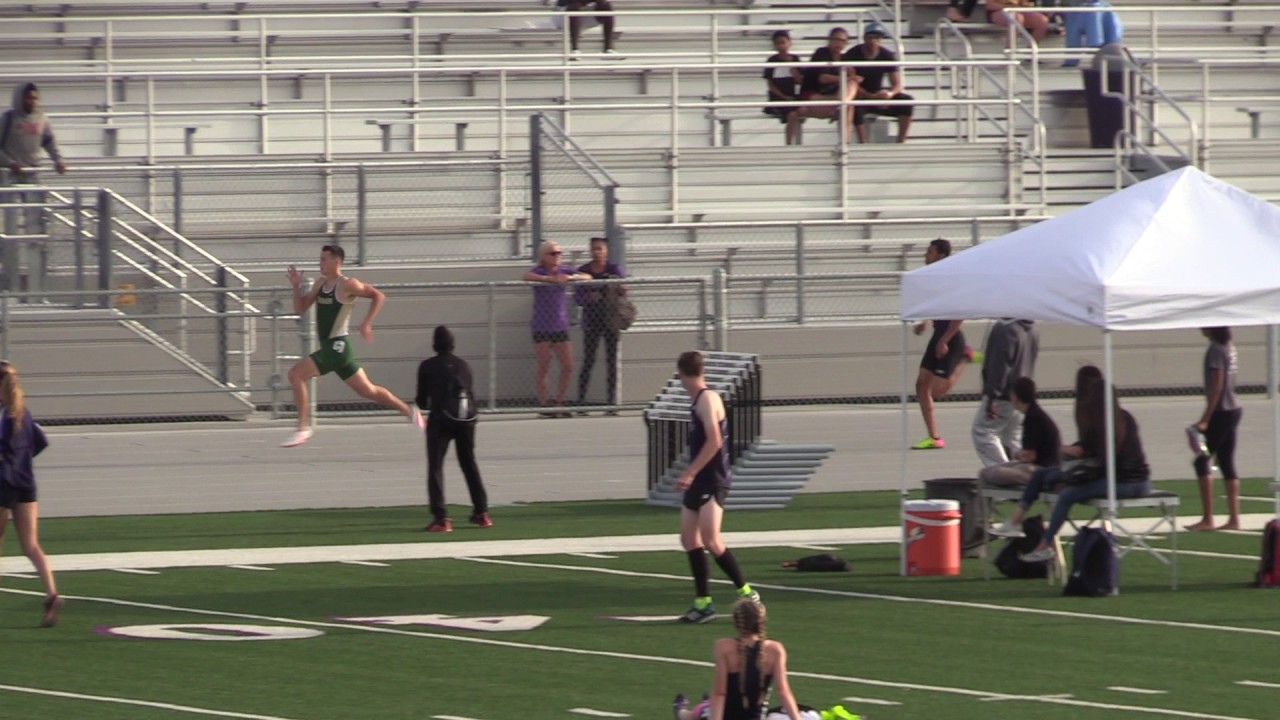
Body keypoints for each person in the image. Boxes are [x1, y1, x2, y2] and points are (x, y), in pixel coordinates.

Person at [991, 366, 1152, 563]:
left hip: (1127, 482)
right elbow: (1094, 455)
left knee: (1067, 494)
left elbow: (1103, 463)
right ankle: (1016, 521)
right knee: (1044, 475)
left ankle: (1044, 545)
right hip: (1125, 478)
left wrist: (1073, 475)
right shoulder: (1121, 419)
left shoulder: (1108, 425)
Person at [281, 244, 424, 447]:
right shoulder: (321, 284)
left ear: (336, 261)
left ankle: (303, 428)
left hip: (336, 347)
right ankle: (409, 411)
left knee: (296, 374)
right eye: (320, 258)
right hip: (339, 350)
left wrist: (367, 322)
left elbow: (378, 296)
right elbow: (301, 308)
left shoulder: (348, 284)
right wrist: (296, 286)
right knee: (369, 391)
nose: (320, 263)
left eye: (324, 259)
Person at [675, 351, 759, 623]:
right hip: (699, 479)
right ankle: (703, 603)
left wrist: (690, 471)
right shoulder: (697, 401)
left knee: (711, 540)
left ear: (682, 375)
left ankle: (747, 592)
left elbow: (714, 442)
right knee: (689, 539)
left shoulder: (707, 399)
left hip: (712, 478)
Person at [0, 360, 62, 627]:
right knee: (32, 545)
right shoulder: (24, 412)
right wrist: (21, 460)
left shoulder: (2, 414)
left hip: (3, 483)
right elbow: (41, 442)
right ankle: (51, 593)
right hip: (27, 483)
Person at [415, 325, 491, 534]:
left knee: (436, 467)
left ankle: (441, 518)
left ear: (434, 344)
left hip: (441, 419)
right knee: (469, 463)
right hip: (466, 419)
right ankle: (482, 512)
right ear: (453, 344)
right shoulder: (464, 366)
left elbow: (422, 401)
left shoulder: (427, 366)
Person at [680, 600, 803, 720]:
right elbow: (783, 692)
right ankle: (699, 708)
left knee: (701, 714)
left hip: (725, 715)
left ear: (736, 623)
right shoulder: (775, 650)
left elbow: (720, 693)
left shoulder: (723, 647)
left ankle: (686, 711)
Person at [910, 239, 969, 450]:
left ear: (941, 255)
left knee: (937, 391)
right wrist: (924, 322)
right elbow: (936, 307)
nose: (925, 255)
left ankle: (965, 358)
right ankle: (934, 437)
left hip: (951, 337)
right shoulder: (934, 279)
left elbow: (959, 312)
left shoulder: (949, 279)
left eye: (930, 252)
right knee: (921, 385)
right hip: (939, 333)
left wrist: (945, 340)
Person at [524, 241, 591, 416]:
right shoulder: (539, 271)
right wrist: (550, 279)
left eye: (559, 253)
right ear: (544, 257)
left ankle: (560, 402)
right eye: (552, 254)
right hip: (541, 325)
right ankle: (544, 403)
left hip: (560, 325)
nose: (557, 256)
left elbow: (587, 277)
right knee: (544, 364)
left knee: (568, 365)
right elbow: (526, 276)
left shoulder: (565, 270)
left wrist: (571, 278)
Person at [1186, 327, 1243, 531]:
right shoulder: (1229, 346)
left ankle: (1208, 518)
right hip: (1234, 408)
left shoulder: (1215, 349)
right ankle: (1234, 519)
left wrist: (1205, 419)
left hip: (1222, 411)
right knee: (1226, 461)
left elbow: (1217, 386)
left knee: (1202, 460)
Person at [972, 318, 1038, 467]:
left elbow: (999, 366)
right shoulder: (1031, 329)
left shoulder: (1005, 329)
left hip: (1004, 394)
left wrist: (992, 396)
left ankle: (1002, 473)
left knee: (983, 432)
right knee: (1013, 438)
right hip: (1021, 394)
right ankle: (1023, 473)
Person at [978, 376, 1061, 487]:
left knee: (989, 474)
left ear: (1016, 397)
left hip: (1041, 470)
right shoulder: (1034, 414)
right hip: (1038, 466)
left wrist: (1017, 454)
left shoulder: (1033, 418)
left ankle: (984, 503)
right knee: (989, 471)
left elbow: (1029, 456)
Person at [575, 237, 626, 413]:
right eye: (594, 249)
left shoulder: (614, 269)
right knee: (589, 360)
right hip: (592, 320)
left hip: (610, 320)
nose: (597, 252)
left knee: (611, 362)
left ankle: (611, 403)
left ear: (606, 251)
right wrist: (589, 297)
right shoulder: (583, 270)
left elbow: (623, 289)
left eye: (600, 249)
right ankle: (581, 402)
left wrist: (618, 288)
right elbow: (577, 297)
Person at [844, 23, 914, 144]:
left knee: (906, 101)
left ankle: (901, 142)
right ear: (864, 38)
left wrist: (889, 94)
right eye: (870, 37)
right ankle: (863, 143)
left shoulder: (886, 55)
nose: (873, 41)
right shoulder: (852, 54)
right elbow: (850, 81)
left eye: (876, 37)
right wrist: (869, 96)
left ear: (881, 40)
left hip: (878, 95)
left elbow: (897, 84)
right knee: (853, 107)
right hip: (859, 95)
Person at [787, 27, 855, 145]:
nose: (839, 43)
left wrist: (851, 75)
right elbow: (822, 78)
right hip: (812, 95)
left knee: (850, 100)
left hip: (831, 98)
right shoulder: (821, 53)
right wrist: (846, 78)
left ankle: (845, 143)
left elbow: (852, 77)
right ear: (830, 40)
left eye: (843, 41)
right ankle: (841, 103)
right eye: (836, 40)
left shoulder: (844, 58)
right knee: (846, 101)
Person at [0, 82, 66, 183]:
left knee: (36, 199)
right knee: (8, 199)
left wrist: (58, 160)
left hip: (33, 172)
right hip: (9, 173)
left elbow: (50, 143)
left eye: (35, 98)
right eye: (29, 98)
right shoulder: (8, 118)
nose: (33, 102)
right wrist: (10, 163)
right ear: (20, 99)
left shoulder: (42, 119)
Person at [762, 30, 804, 145]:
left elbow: (800, 81)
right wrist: (784, 97)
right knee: (792, 113)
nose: (781, 46)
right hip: (778, 97)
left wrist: (793, 69)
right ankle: (789, 143)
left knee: (798, 111)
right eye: (778, 43)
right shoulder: (772, 61)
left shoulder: (795, 59)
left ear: (789, 43)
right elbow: (770, 84)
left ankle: (794, 140)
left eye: (783, 42)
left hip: (792, 95)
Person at [985, 0, 1052, 43]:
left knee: (1042, 21)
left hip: (1018, 9)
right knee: (1017, 18)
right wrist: (1008, 7)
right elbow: (990, 6)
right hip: (998, 11)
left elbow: (1024, 4)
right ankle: (1010, 51)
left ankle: (1031, 52)